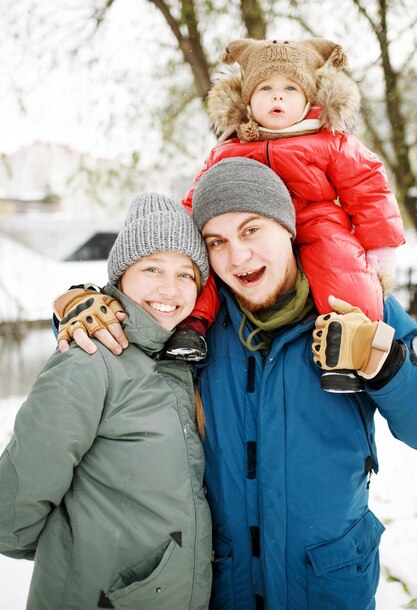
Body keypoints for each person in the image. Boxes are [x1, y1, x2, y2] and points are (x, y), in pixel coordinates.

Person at [54, 158, 417, 610]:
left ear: (287, 227)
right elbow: (121, 331)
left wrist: (386, 366)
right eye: (216, 241)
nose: (237, 257)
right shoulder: (195, 325)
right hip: (227, 583)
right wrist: (78, 308)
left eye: (251, 230)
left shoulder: (361, 302)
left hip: (329, 579)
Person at [0, 192, 212, 610]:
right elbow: (10, 515)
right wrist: (81, 555)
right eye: (152, 268)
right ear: (121, 275)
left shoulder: (184, 360)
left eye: (185, 274)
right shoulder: (90, 360)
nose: (170, 288)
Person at [167, 37, 405, 382]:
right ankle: (191, 326)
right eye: (265, 87)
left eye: (290, 88)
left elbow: (368, 188)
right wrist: (176, 241)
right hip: (247, 226)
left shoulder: (329, 140)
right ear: (248, 99)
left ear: (309, 98)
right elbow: (199, 196)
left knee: (342, 264)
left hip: (314, 219)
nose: (277, 96)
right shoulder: (231, 147)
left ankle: (352, 341)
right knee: (203, 262)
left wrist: (378, 247)